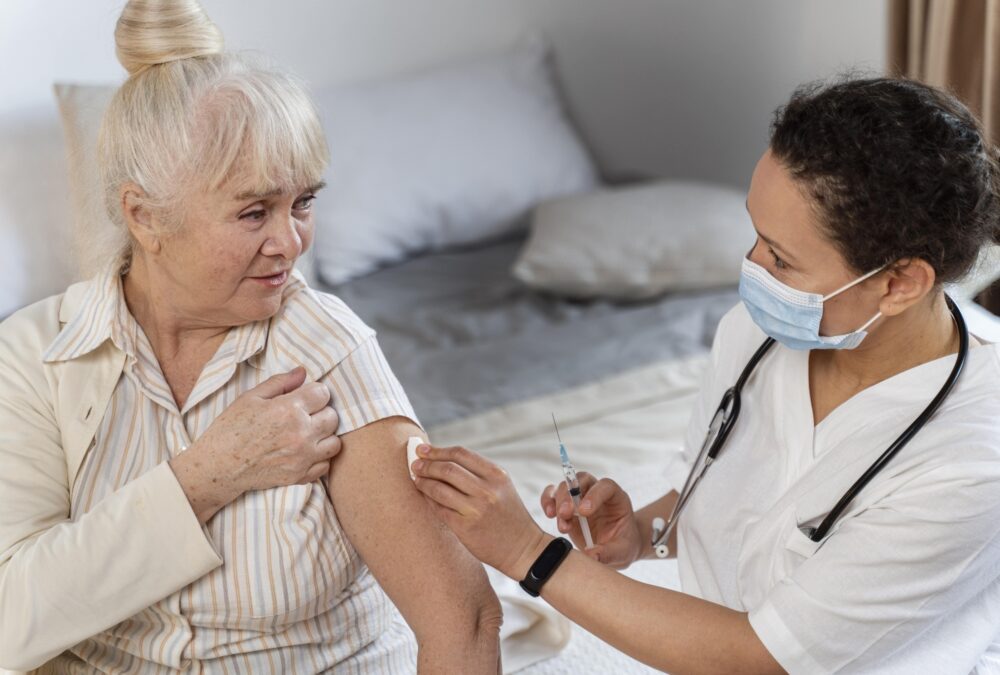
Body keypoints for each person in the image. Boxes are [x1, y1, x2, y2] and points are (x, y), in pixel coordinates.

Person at [412, 77, 1000, 673]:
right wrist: (640, 531)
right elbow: (731, 499)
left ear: (899, 284)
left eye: (781, 258)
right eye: (756, 235)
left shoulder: (972, 468)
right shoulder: (754, 337)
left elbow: (756, 658)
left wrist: (527, 551)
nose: (751, 267)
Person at [0, 1, 501, 672]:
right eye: (254, 212)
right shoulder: (35, 355)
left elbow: (463, 619)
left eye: (304, 203)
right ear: (144, 217)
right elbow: (9, 621)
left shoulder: (326, 348)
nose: (290, 242)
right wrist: (209, 474)